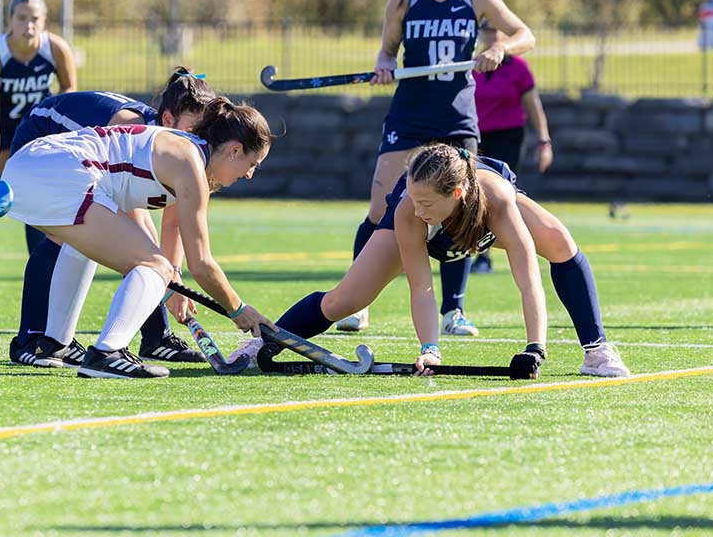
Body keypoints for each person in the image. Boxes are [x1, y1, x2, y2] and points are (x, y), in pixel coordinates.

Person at [234, 143, 629, 378]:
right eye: (412, 197)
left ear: (456, 194)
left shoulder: (498, 201)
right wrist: (430, 348)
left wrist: (534, 348)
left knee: (560, 241)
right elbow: (422, 286)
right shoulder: (410, 209)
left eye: (426, 202)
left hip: (480, 211)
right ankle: (262, 342)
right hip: (424, 231)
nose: (417, 206)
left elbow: (528, 280)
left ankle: (596, 350)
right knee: (344, 301)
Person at [337, 0, 535, 339]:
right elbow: (386, 53)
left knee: (465, 209)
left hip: (456, 118)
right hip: (409, 116)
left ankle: (453, 310)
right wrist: (383, 67)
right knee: (380, 210)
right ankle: (357, 303)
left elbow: (524, 34)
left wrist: (500, 49)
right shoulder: (403, 1)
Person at [1, 97, 278, 378]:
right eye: (252, 163)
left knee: (87, 247)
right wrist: (238, 310)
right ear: (234, 150)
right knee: (156, 267)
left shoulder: (182, 151)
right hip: (57, 170)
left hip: (31, 165)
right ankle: (107, 353)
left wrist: (168, 279)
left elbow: (141, 225)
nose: (250, 174)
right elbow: (202, 264)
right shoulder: (189, 162)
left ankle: (54, 342)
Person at [7, 69, 217, 367]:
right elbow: (138, 226)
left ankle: (155, 339)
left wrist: (176, 276)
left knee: (131, 246)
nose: (200, 141)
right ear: (168, 120)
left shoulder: (177, 149)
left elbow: (174, 221)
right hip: (39, 140)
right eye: (196, 131)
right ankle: (30, 339)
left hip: (81, 162)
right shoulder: (131, 127)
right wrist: (166, 279)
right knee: (71, 231)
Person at [0, 0, 77, 300]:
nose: (28, 25)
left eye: (34, 18)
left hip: (35, 133)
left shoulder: (56, 50)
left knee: (34, 203)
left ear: (44, 21)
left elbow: (69, 96)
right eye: (21, 18)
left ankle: (40, 276)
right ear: (10, 20)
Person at [471, 19, 553, 273]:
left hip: (508, 137)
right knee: (475, 195)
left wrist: (543, 140)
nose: (491, 35)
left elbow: (533, 106)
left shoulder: (518, 67)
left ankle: (518, 248)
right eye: (486, 30)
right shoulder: (471, 66)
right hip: (476, 137)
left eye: (496, 30)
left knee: (503, 194)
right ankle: (480, 254)